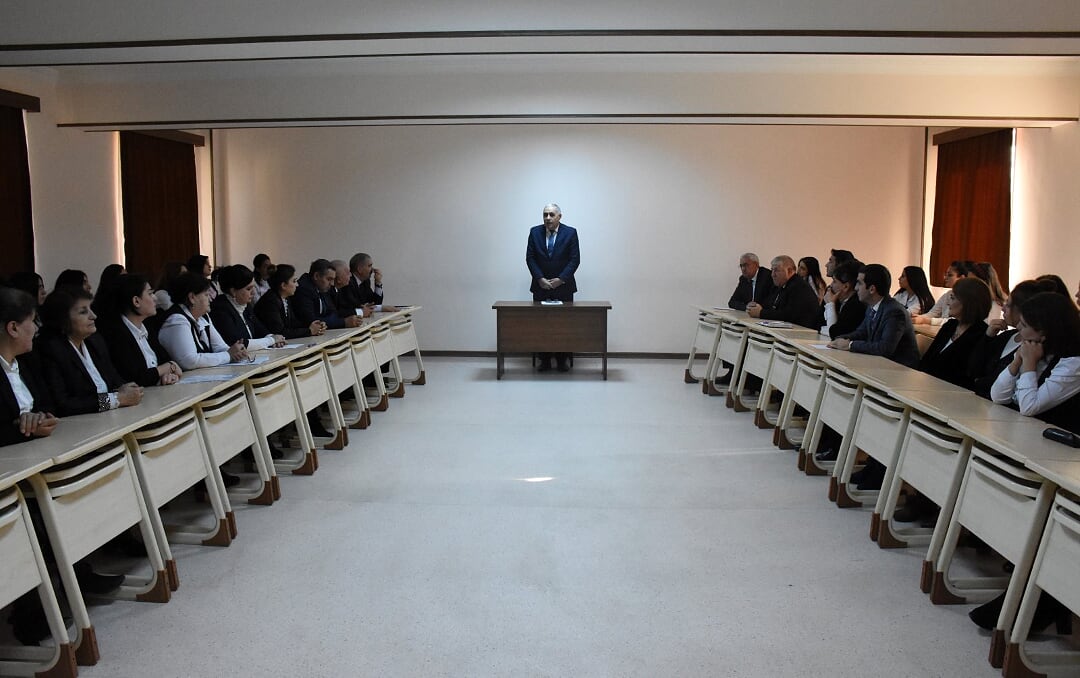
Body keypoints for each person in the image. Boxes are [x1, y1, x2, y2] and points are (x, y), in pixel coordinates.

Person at [35, 287, 143, 416]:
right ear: (62, 318)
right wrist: (115, 400)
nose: (93, 316)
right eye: (83, 312)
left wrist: (129, 390)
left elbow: (115, 381)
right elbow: (64, 405)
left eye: (90, 309)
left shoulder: (95, 341)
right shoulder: (51, 350)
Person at [990, 291, 1080, 433]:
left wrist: (1029, 364)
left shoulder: (1073, 362)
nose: (1018, 327)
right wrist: (1016, 362)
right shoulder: (1034, 347)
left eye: (1024, 325)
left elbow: (1029, 407)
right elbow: (998, 396)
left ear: (1044, 333)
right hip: (1021, 431)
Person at [970, 279, 1055, 399]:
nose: (1003, 309)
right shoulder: (1006, 336)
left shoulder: (1033, 348)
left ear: (1023, 310)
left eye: (1009, 305)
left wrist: (980, 382)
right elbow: (973, 370)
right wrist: (988, 337)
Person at [95, 274, 182, 387]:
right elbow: (135, 379)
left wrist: (168, 374)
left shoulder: (147, 326)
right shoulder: (115, 335)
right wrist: (168, 367)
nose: (155, 298)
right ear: (136, 301)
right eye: (150, 293)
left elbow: (165, 360)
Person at [828, 264, 920, 368]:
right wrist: (839, 339)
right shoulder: (871, 306)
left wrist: (850, 345)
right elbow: (861, 332)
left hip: (900, 369)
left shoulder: (894, 312)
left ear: (872, 289)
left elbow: (884, 348)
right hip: (881, 365)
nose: (856, 288)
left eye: (859, 283)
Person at [526, 203, 581, 372]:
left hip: (564, 287)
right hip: (541, 287)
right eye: (545, 214)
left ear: (559, 217)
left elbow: (575, 259)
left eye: (551, 214)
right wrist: (540, 278)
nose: (548, 218)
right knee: (541, 325)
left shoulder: (570, 233)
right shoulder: (534, 232)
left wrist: (561, 279)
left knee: (563, 325)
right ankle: (544, 360)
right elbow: (530, 258)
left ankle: (562, 360)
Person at [1, 288, 58, 446]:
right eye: (32, 321)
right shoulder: (54, 350)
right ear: (13, 328)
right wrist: (110, 401)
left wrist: (41, 418)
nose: (36, 328)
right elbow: (67, 404)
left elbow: (48, 407)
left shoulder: (27, 362)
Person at [158, 272, 249, 370]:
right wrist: (228, 355)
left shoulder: (203, 316)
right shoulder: (176, 320)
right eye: (206, 295)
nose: (210, 299)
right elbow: (190, 361)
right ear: (192, 298)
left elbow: (219, 347)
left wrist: (237, 351)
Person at [918, 277, 992, 389]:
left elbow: (965, 374)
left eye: (952, 298)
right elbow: (927, 360)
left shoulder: (981, 334)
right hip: (927, 385)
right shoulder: (950, 326)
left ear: (967, 303)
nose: (948, 303)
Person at [209, 265, 285, 350]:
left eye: (253, 287)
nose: (253, 292)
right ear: (233, 291)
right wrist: (271, 340)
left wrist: (273, 337)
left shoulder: (245, 305)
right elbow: (238, 343)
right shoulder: (220, 309)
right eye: (248, 289)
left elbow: (260, 330)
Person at [746, 255, 821, 330]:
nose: (772, 275)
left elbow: (788, 315)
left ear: (789, 271)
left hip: (802, 332)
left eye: (776, 270)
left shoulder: (799, 287)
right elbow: (770, 304)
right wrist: (755, 306)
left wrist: (761, 313)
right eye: (772, 270)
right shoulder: (780, 285)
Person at [253, 264, 327, 339]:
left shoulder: (285, 298)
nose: (297, 285)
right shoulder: (270, 301)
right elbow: (280, 332)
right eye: (294, 281)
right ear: (283, 285)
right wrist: (309, 331)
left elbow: (293, 323)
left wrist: (314, 326)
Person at [293, 259, 362, 330]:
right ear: (316, 276)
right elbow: (311, 320)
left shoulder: (321, 287)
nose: (332, 284)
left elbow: (334, 312)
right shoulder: (304, 289)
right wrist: (343, 322)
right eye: (329, 279)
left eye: (333, 279)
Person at [913, 260, 969, 326]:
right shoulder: (947, 294)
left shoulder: (967, 297)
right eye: (946, 274)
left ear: (961, 278)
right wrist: (918, 317)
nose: (945, 278)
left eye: (950, 275)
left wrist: (924, 320)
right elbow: (933, 313)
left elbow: (954, 321)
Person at [820, 260, 865, 339]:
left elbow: (835, 333)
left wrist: (830, 305)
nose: (831, 285)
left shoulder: (855, 305)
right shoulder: (840, 301)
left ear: (846, 287)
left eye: (834, 281)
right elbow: (819, 323)